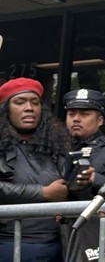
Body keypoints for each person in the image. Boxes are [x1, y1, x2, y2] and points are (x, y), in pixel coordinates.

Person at [0, 78, 68, 262]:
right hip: (11, 244)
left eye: (35, 102)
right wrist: (42, 193)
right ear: (5, 110)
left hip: (59, 242)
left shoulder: (54, 145)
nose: (29, 108)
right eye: (19, 102)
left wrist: (78, 183)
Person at [63, 88, 105, 262]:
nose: (76, 119)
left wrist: (96, 179)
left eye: (84, 113)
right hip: (62, 235)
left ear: (100, 120)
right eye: (71, 113)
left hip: (101, 236)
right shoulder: (58, 151)